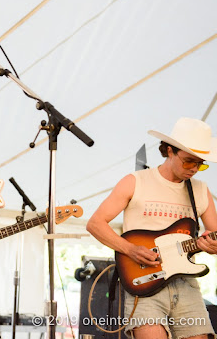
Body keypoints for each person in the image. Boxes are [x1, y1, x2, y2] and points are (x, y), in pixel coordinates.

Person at [86, 117, 217, 339]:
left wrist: (212, 246)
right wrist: (129, 249)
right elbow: (95, 223)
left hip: (186, 284)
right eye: (188, 161)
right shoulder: (135, 181)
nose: (194, 169)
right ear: (169, 150)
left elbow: (214, 237)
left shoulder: (201, 190)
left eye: (200, 163)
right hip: (144, 283)